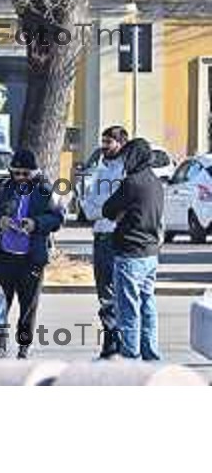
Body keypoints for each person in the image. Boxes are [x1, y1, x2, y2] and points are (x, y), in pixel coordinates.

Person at [0, 149, 64, 359]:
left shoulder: (45, 189)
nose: (20, 178)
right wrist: (0, 219)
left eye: (26, 174)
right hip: (5, 256)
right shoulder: (3, 185)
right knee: (0, 303)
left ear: (34, 173)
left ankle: (24, 346)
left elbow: (58, 217)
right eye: (16, 173)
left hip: (31, 258)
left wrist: (35, 223)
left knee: (28, 305)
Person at [102, 138, 164, 361]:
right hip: (150, 252)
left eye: (126, 157)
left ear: (134, 157)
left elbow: (108, 209)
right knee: (148, 305)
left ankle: (131, 357)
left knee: (128, 309)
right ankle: (151, 355)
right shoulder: (156, 183)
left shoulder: (132, 183)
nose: (124, 161)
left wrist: (121, 214)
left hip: (130, 252)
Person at [82, 125, 128, 358]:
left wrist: (104, 210)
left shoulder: (124, 172)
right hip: (99, 236)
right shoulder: (101, 171)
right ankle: (109, 340)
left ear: (121, 143)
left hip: (116, 237)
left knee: (119, 292)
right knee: (104, 293)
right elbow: (88, 208)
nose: (104, 146)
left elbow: (122, 208)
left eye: (109, 142)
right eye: (103, 141)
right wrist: (105, 210)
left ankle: (122, 341)